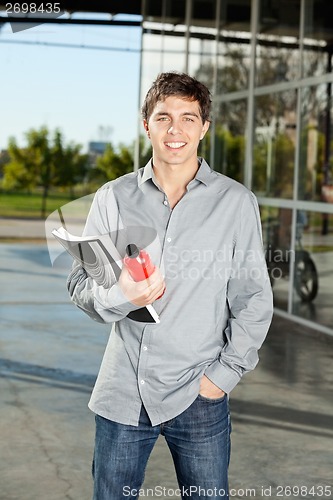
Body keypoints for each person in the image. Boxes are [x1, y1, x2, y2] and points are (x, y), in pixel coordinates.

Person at [67, 71, 273, 500]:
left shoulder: (235, 202)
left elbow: (253, 298)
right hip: (123, 392)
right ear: (147, 125)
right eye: (163, 117)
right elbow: (81, 282)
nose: (175, 129)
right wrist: (120, 295)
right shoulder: (113, 197)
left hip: (200, 393)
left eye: (187, 118)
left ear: (204, 128)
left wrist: (222, 377)